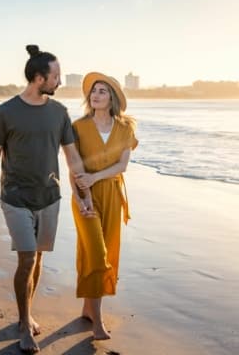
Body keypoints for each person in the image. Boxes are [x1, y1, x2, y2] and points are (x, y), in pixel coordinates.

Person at [0, 45, 94, 353]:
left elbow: (72, 156)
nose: (59, 81)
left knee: (39, 257)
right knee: (27, 257)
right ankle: (23, 323)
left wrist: (84, 195)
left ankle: (27, 312)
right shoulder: (6, 111)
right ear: (39, 77)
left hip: (49, 197)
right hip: (16, 197)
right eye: (55, 76)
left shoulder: (59, 112)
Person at [70, 72, 138, 340]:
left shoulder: (125, 129)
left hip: (111, 194)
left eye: (102, 91)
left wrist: (96, 176)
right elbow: (74, 167)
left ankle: (88, 308)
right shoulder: (77, 127)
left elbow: (122, 166)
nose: (95, 95)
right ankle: (97, 322)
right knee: (95, 254)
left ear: (113, 98)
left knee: (106, 252)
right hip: (85, 195)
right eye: (93, 91)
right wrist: (80, 196)